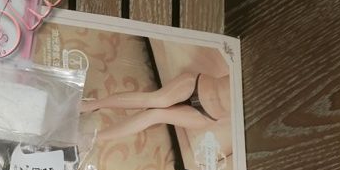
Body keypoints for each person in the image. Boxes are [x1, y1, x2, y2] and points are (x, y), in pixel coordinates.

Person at [81, 71, 231, 144]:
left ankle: (90, 139)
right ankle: (90, 105)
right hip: (198, 84)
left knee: (154, 115)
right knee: (157, 100)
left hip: (207, 115)